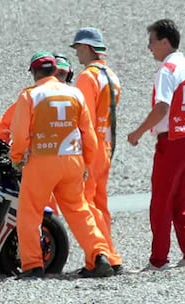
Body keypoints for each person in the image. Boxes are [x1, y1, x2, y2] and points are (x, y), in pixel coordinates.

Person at [10, 51, 115, 278]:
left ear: (35, 72)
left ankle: (33, 265)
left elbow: (19, 134)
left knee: (30, 213)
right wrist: (87, 162)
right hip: (73, 161)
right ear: (55, 71)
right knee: (79, 211)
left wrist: (17, 158)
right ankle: (99, 255)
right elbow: (88, 134)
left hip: (42, 161)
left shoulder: (31, 95)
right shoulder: (75, 94)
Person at [127, 19, 185, 270]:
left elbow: (162, 107)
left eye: (152, 41)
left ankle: (159, 260)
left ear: (165, 42)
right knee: (184, 201)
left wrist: (138, 132)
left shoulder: (167, 69)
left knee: (161, 202)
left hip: (173, 140)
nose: (149, 47)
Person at [70, 27, 123, 273]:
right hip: (107, 146)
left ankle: (97, 257)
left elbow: (83, 118)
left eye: (79, 48)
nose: (77, 53)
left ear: (89, 48)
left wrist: (80, 153)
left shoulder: (87, 77)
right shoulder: (112, 75)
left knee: (86, 203)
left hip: (91, 147)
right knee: (100, 203)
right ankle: (112, 256)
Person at [0, 53, 74, 144]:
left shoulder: (30, 95)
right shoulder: (77, 96)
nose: (55, 79)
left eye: (61, 74)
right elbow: (5, 127)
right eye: (54, 74)